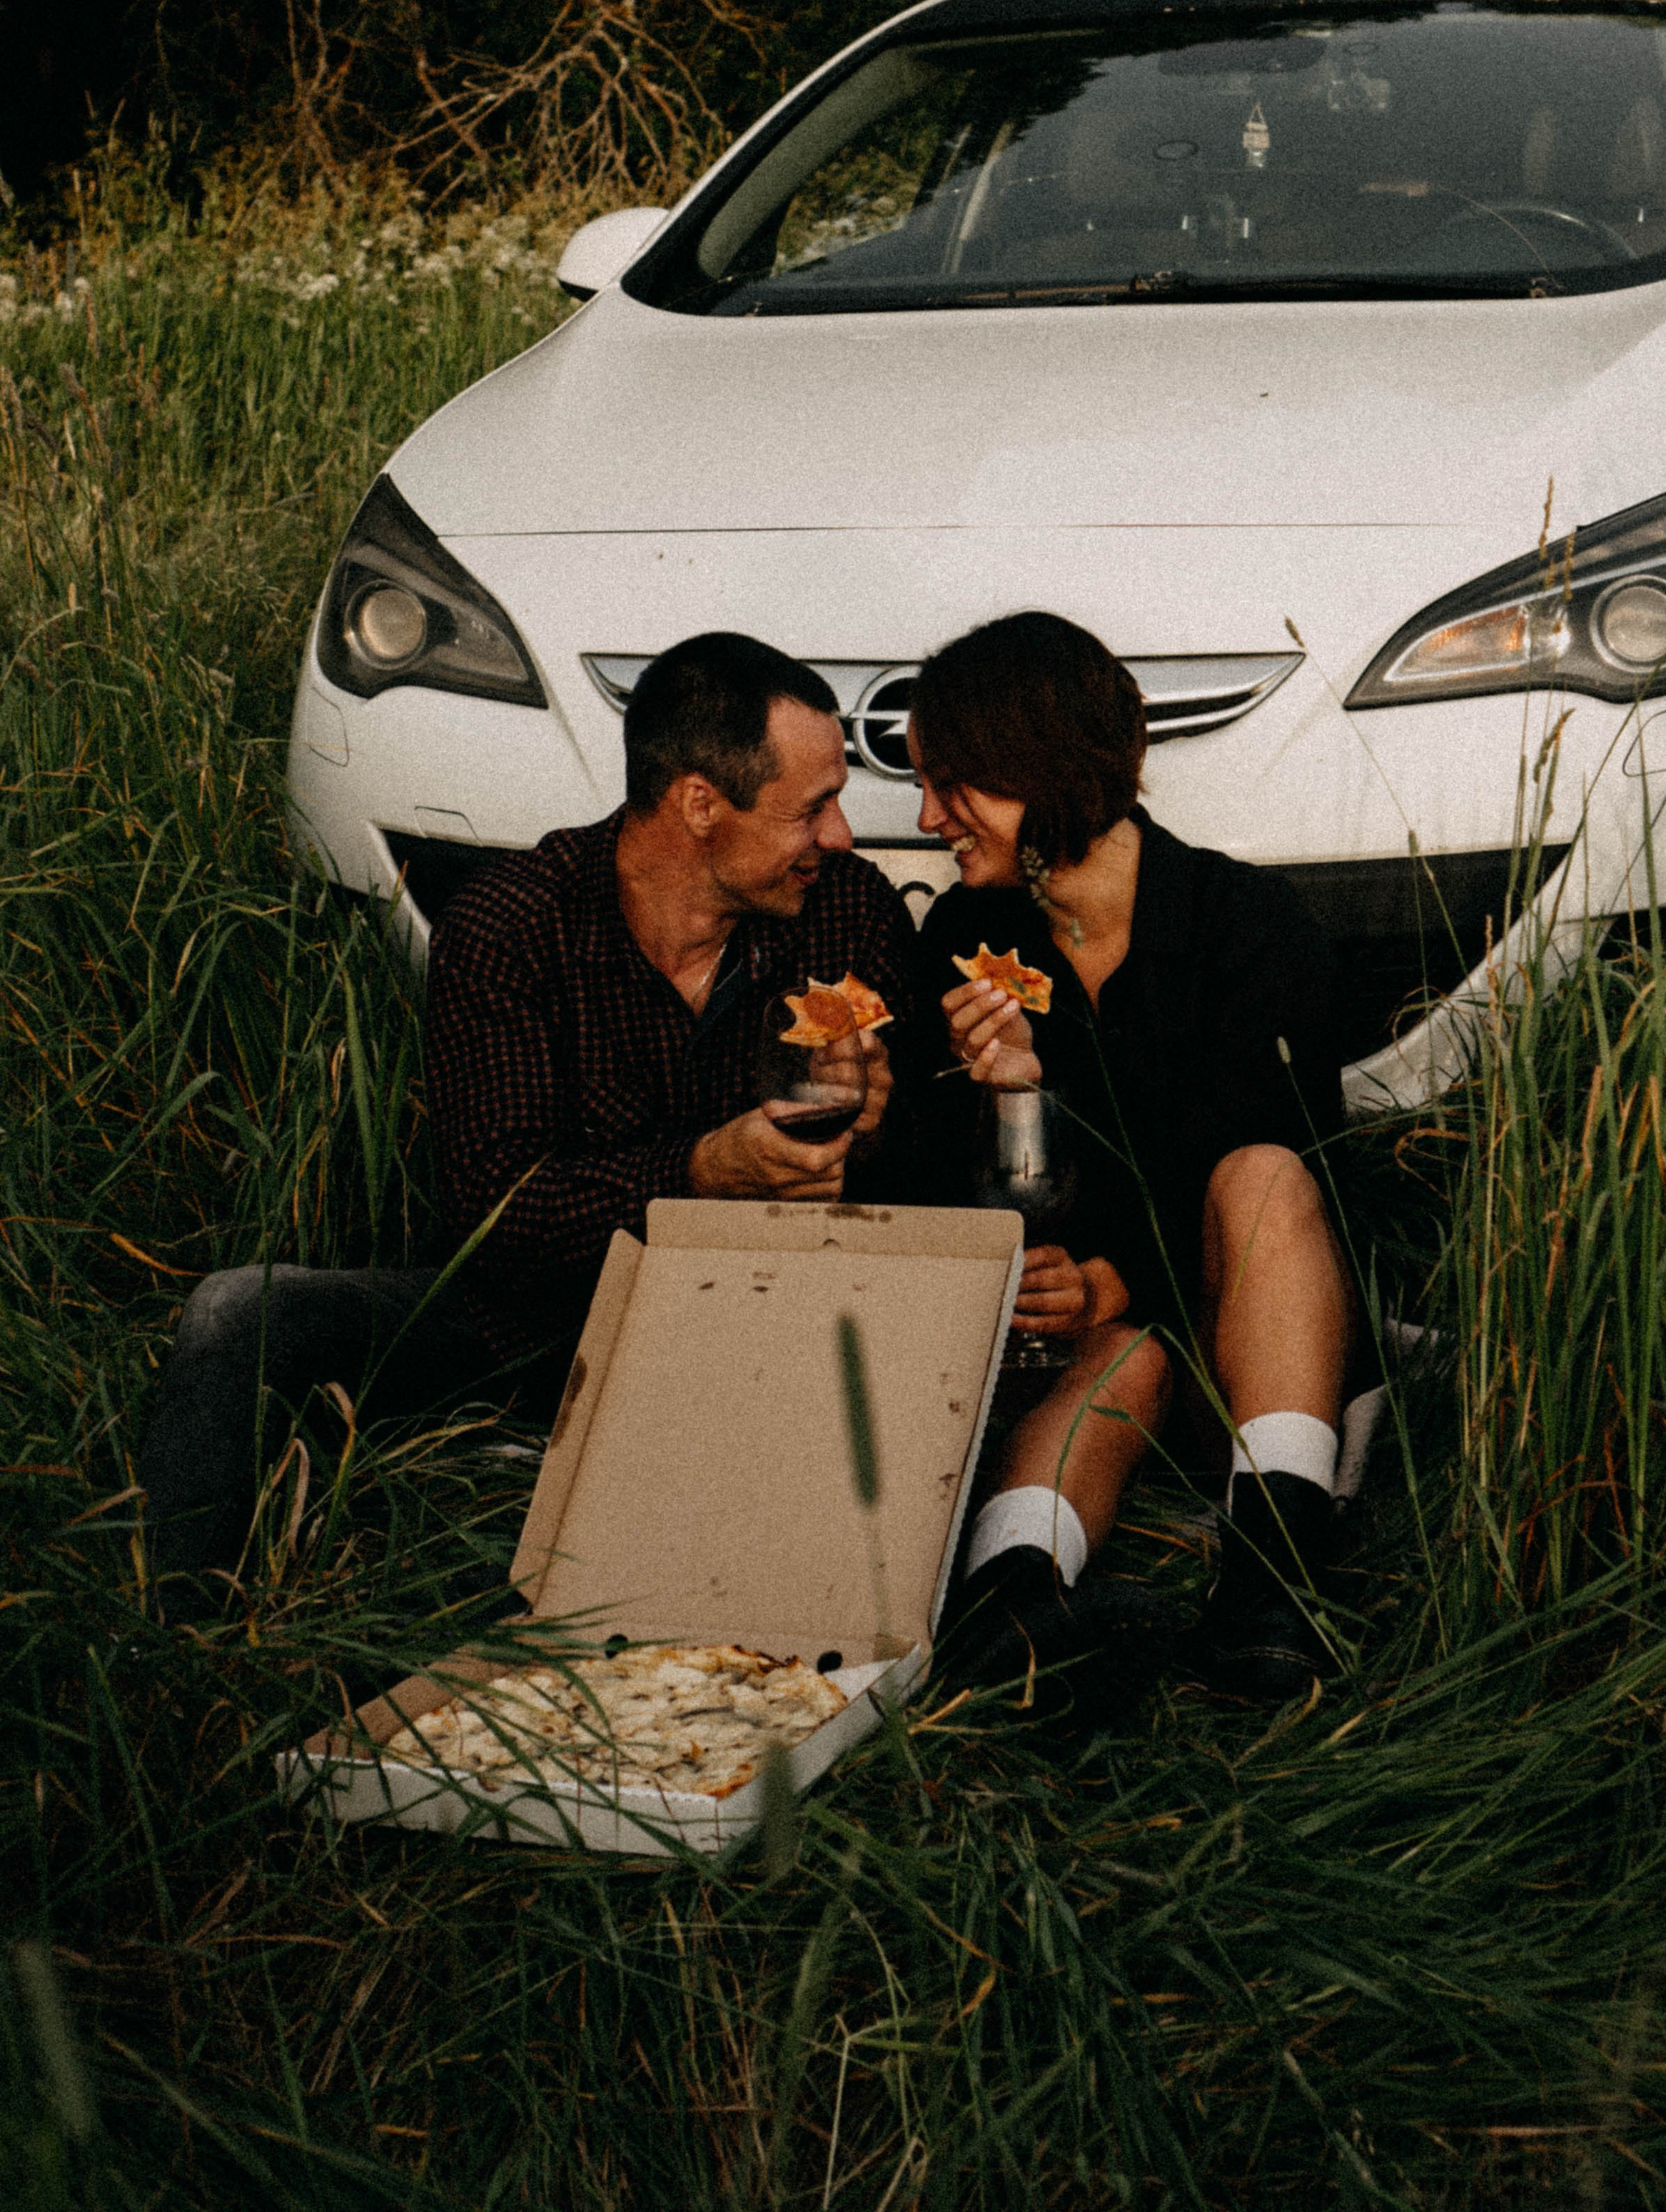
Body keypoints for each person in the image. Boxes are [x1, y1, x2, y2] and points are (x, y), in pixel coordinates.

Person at [140, 632, 917, 1604]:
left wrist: (877, 1120)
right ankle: (180, 1642)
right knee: (240, 1311)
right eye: (814, 808)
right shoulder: (514, 925)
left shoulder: (847, 912)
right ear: (701, 805)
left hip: (751, 1326)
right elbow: (496, 1211)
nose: (841, 835)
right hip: (525, 1322)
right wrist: (701, 1171)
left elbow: (894, 1170)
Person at [908, 611, 1359, 1704]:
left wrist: (1120, 1269)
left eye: (951, 785)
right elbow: (946, 1190)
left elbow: (1294, 1161)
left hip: (1266, 1335)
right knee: (1121, 1350)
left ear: (1042, 772)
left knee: (1259, 1173)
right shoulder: (970, 945)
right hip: (1106, 1358)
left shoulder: (1246, 924)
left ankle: (1275, 1590)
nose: (928, 820)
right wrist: (1011, 1105)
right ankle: (1010, 1608)